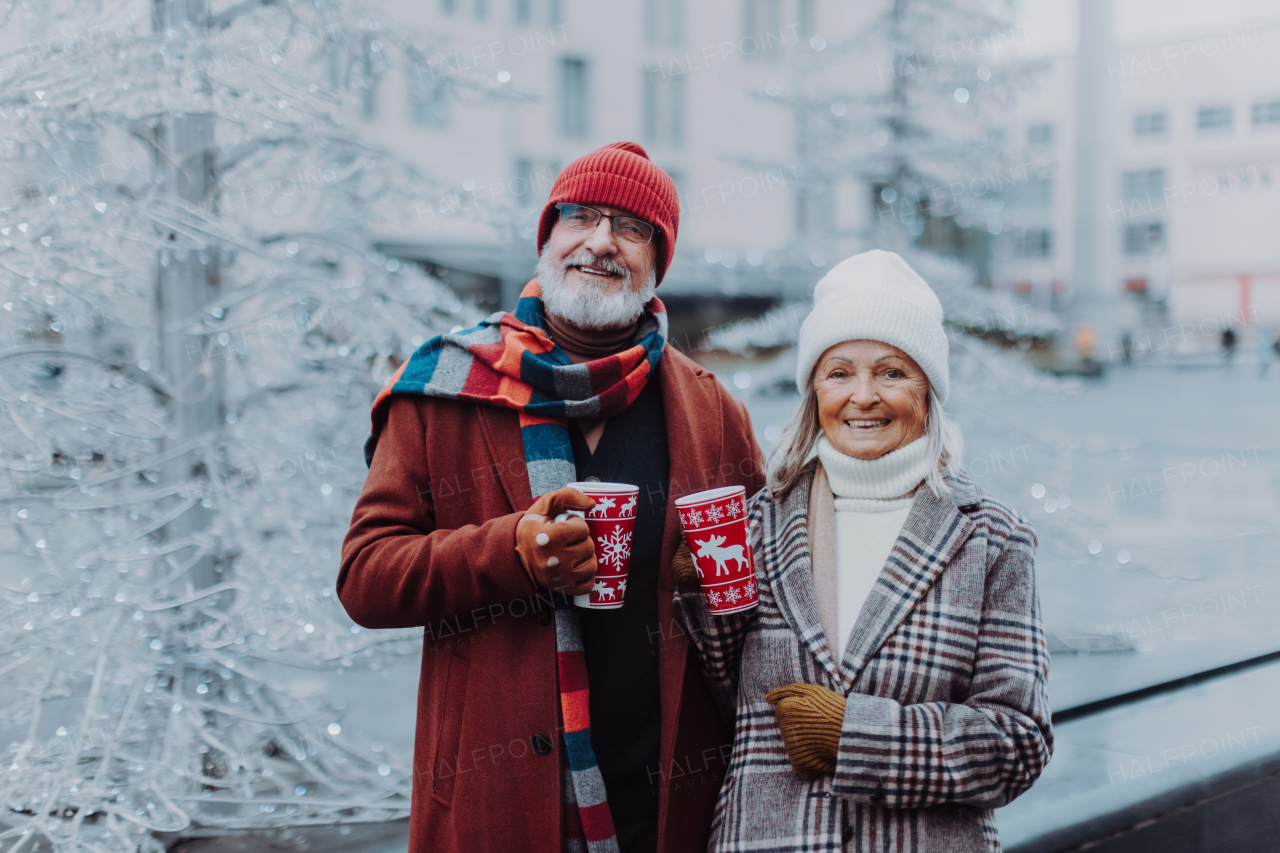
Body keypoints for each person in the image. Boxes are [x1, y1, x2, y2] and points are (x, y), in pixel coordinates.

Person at [339, 142, 765, 853]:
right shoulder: (444, 386)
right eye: (581, 217)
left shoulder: (711, 410)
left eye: (631, 228)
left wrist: (715, 583)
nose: (601, 242)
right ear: (548, 238)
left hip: (665, 803)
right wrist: (511, 550)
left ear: (657, 262)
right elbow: (366, 579)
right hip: (495, 799)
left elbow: (758, 600)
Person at [672, 250, 1053, 852]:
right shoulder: (756, 526)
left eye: (893, 372)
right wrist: (699, 595)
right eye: (840, 372)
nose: (864, 396)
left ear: (928, 390)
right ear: (813, 390)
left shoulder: (993, 539)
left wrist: (858, 736)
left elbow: (1019, 744)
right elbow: (726, 708)